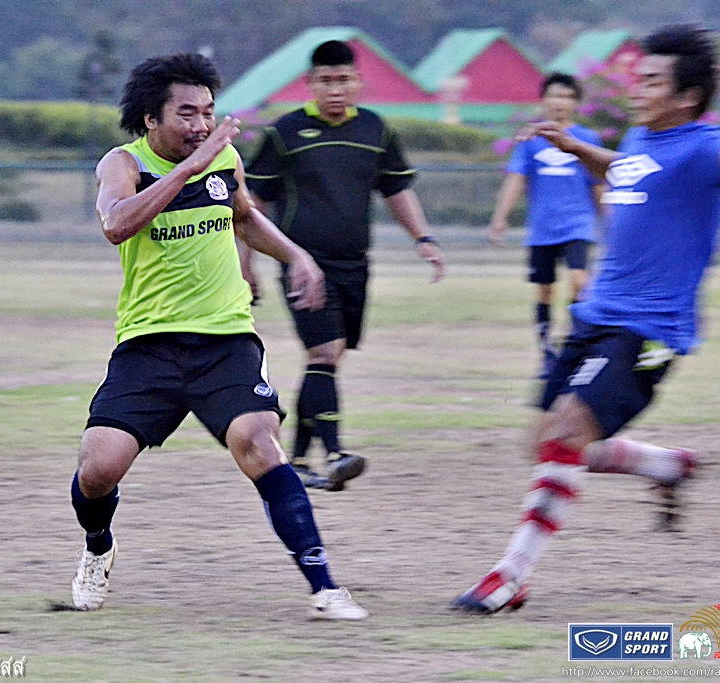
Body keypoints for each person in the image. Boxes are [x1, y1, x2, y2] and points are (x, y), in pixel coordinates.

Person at [453, 25, 720, 614]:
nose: (635, 88)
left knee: (568, 434)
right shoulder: (642, 137)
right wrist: (579, 151)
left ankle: (510, 577)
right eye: (637, 77)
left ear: (687, 97)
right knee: (544, 443)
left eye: (651, 81)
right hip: (594, 316)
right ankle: (666, 464)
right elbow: (629, 171)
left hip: (650, 331)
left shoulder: (705, 147)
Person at [70, 53, 369, 620]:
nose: (202, 124)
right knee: (98, 469)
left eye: (208, 112)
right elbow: (116, 224)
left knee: (260, 444)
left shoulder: (222, 159)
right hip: (149, 342)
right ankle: (98, 548)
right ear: (151, 118)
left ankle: (325, 588)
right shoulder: (123, 164)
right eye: (187, 113)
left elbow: (244, 216)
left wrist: (297, 256)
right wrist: (190, 167)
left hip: (225, 339)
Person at [244, 40, 447, 491]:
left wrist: (424, 239)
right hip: (303, 265)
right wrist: (246, 265)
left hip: (355, 264)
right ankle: (335, 454)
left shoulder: (375, 130)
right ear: (310, 84)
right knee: (324, 351)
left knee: (328, 358)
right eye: (326, 81)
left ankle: (297, 461)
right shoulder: (285, 133)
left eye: (343, 80)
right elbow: (252, 204)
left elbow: (396, 191)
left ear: (358, 81)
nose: (335, 90)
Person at [489, 72, 604, 379]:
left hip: (579, 225)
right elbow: (516, 180)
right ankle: (547, 354)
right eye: (554, 95)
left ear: (575, 103)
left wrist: (613, 222)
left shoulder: (587, 139)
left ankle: (574, 348)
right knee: (545, 292)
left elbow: (597, 184)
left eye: (567, 97)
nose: (559, 102)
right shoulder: (530, 140)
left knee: (580, 282)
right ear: (543, 101)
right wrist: (500, 218)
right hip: (542, 229)